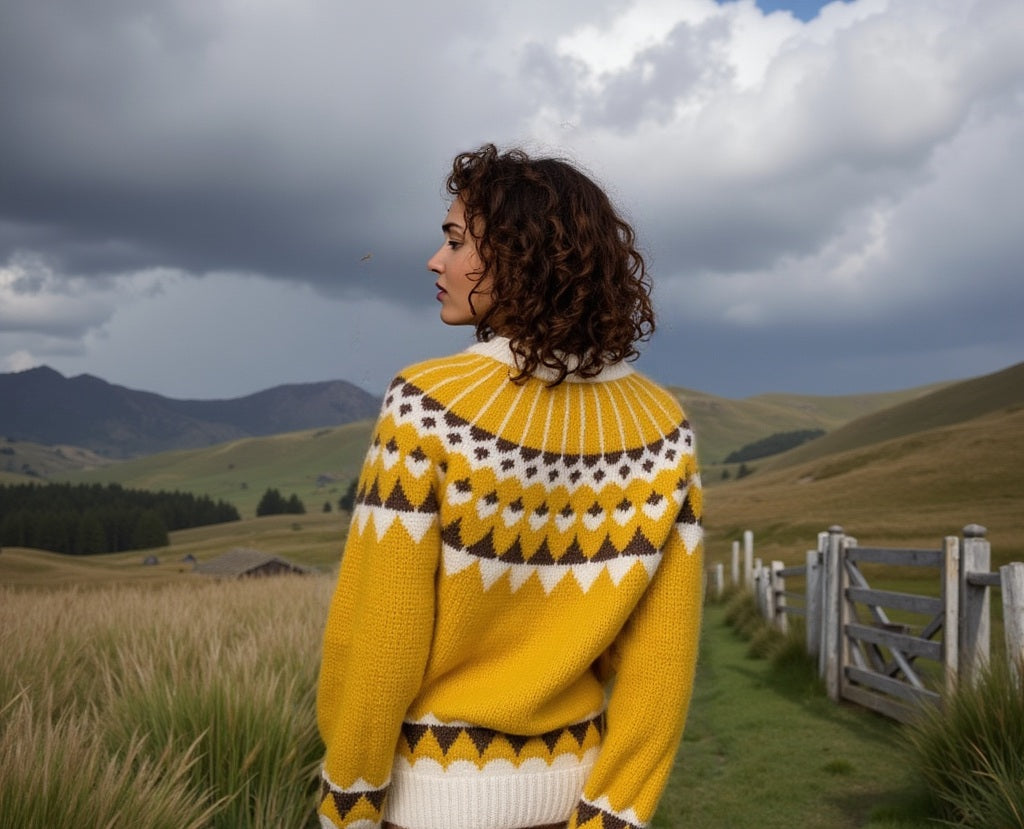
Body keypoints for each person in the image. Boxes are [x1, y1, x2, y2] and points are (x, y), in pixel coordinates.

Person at [316, 144, 704, 829]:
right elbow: (660, 666)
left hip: (429, 803)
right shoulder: (664, 430)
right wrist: (613, 813)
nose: (437, 262)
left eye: (458, 241)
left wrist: (347, 803)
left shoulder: (427, 408)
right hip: (574, 795)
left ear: (522, 257)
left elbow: (380, 638)